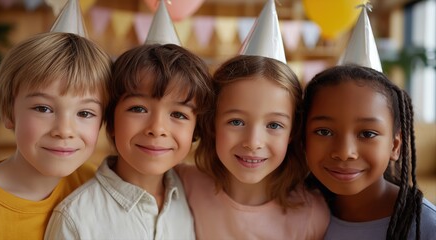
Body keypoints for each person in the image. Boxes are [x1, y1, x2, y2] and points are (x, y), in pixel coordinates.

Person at [44, 43, 214, 239]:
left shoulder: (194, 196)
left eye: (178, 114)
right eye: (138, 109)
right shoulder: (76, 218)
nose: (157, 129)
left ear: (196, 129)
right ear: (111, 120)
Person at [0, 32, 112, 239]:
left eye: (85, 113)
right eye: (43, 109)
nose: (64, 130)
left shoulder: (98, 186)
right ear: (8, 112)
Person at [176, 55, 330, 239]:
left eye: (274, 125)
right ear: (212, 123)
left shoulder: (311, 215)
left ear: (292, 132)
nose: (253, 142)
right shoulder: (182, 185)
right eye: (236, 122)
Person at [303, 65, 436, 240]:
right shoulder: (296, 215)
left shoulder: (425, 227)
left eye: (367, 134)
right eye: (324, 132)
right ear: (302, 137)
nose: (344, 152)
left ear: (395, 146)